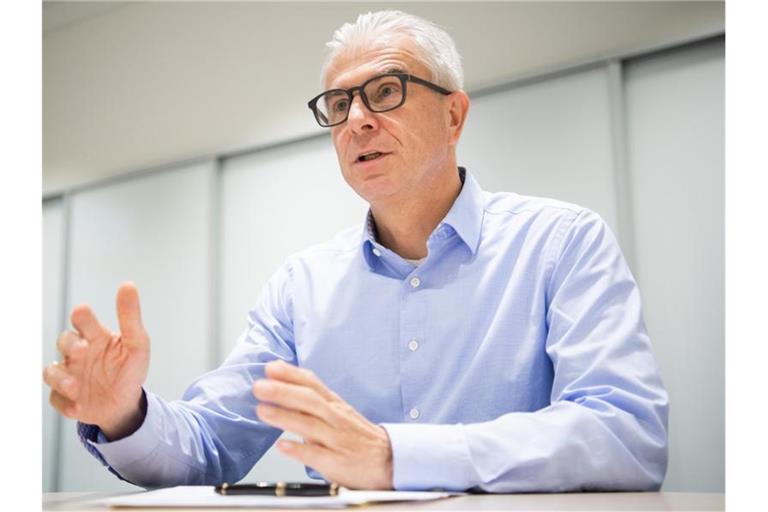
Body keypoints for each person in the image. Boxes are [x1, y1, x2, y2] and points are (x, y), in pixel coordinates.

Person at [43, 10, 668, 492]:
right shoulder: (302, 286)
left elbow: (626, 435)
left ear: (454, 116)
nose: (357, 121)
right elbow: (210, 445)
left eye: (387, 90)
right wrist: (126, 414)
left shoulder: (560, 243)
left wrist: (392, 455)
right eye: (339, 104)